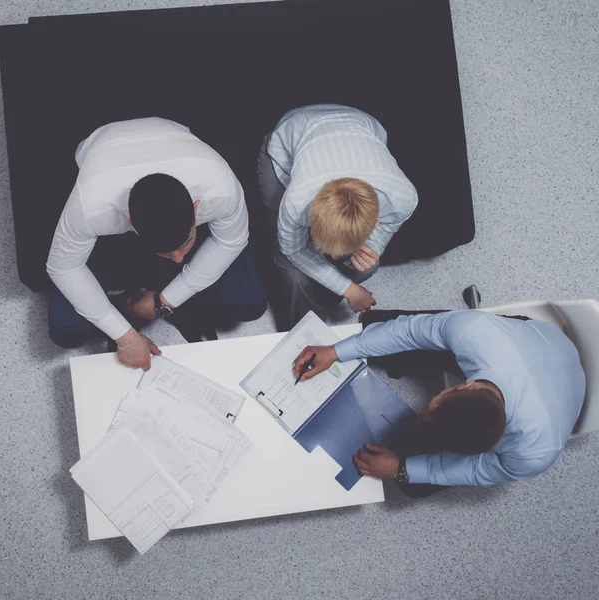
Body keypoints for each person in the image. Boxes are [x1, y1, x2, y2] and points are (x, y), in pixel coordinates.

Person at [47, 117, 267, 370]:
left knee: (249, 303)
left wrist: (165, 301)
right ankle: (127, 307)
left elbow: (232, 241)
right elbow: (62, 268)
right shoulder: (92, 206)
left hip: (178, 148)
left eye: (185, 245)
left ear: (196, 209)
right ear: (131, 223)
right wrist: (125, 337)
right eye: (168, 253)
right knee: (65, 329)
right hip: (108, 196)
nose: (179, 259)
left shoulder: (221, 188)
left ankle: (162, 303)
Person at [293, 309, 586, 490]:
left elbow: (473, 471)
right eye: (433, 406)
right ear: (467, 386)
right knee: (379, 325)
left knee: (409, 480)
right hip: (537, 337)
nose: (422, 412)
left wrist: (401, 469)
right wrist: (336, 351)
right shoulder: (473, 331)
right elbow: (409, 331)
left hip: (563, 386)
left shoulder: (532, 455)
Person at [257, 104, 418, 331]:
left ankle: (320, 297)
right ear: (311, 217)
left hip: (363, 126)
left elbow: (383, 234)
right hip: (288, 138)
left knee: (366, 266)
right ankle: (299, 328)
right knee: (291, 271)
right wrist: (349, 290)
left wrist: (373, 248)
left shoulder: (403, 198)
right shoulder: (297, 201)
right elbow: (292, 250)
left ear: (375, 222)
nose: (332, 255)